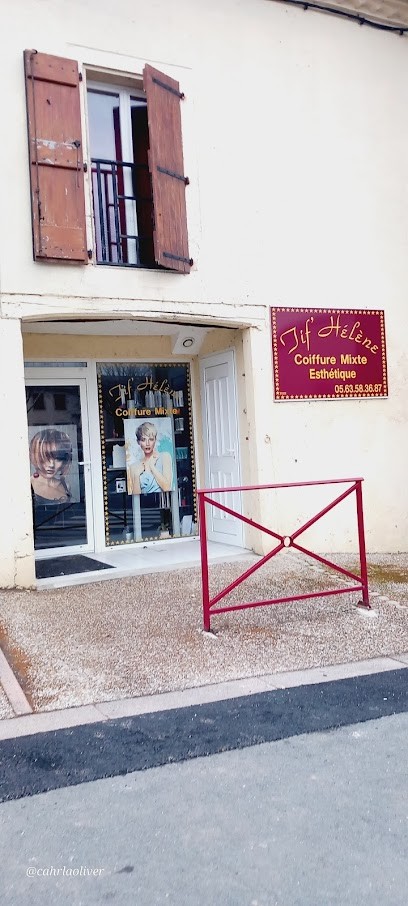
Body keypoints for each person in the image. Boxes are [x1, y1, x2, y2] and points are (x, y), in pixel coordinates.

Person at [127, 421, 173, 495]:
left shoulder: (165, 457)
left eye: (151, 439)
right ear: (138, 442)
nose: (147, 444)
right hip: (143, 505)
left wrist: (152, 467)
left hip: (163, 503)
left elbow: (167, 487)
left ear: (155, 440)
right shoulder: (133, 467)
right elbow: (135, 497)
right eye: (143, 440)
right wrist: (136, 475)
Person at [29, 428, 73, 503]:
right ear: (35, 457)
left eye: (58, 458)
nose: (51, 465)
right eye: (46, 457)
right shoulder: (28, 485)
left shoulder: (66, 486)